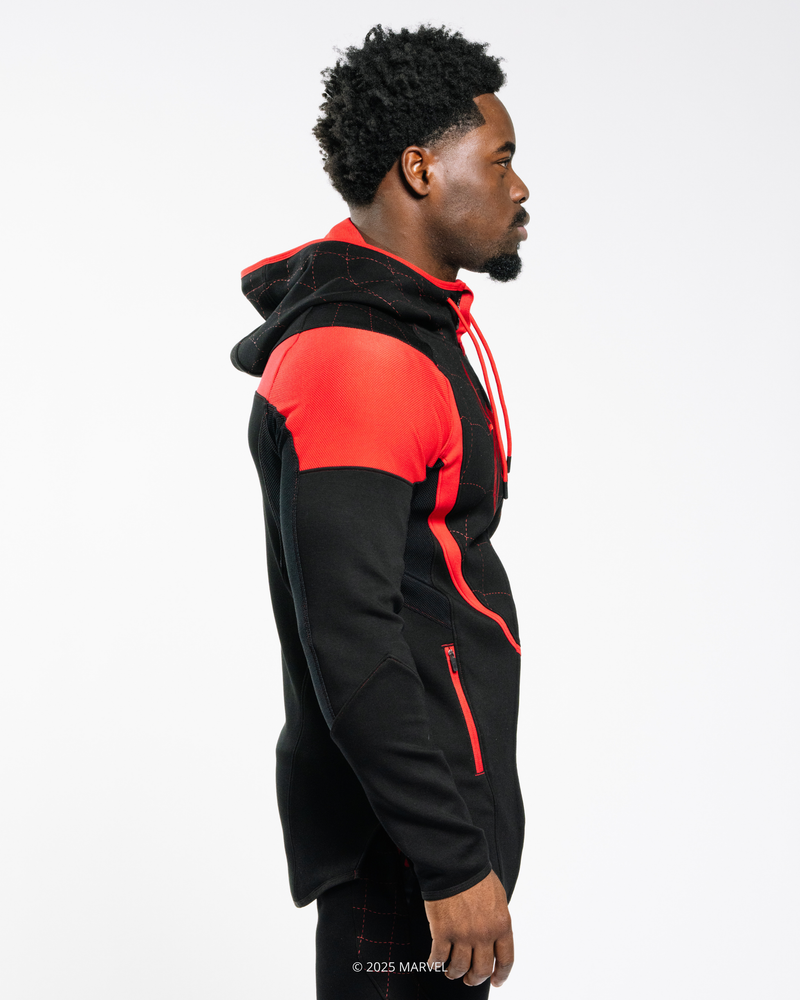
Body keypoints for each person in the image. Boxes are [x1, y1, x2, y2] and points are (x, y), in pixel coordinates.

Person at [231, 24, 529, 998]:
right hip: (403, 850)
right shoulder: (358, 357)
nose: (520, 188)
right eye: (500, 160)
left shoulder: (405, 334)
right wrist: (449, 859)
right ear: (419, 169)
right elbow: (351, 633)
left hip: (430, 829)